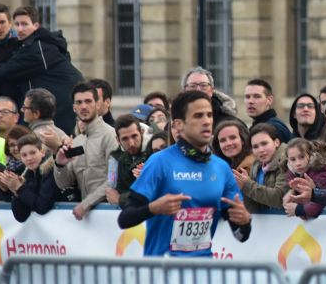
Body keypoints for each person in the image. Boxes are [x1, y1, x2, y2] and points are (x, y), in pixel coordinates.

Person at [118, 90, 252, 257]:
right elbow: (124, 219)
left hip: (202, 271)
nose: (206, 121)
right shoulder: (159, 162)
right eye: (198, 116)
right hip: (164, 270)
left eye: (209, 115)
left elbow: (240, 235)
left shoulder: (221, 168)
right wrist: (153, 208)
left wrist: (245, 222)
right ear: (179, 125)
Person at [0, 5, 84, 134]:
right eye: (18, 24)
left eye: (25, 24)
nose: (20, 29)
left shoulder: (35, 48)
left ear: (36, 26)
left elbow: (7, 71)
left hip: (56, 105)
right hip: (24, 108)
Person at [53, 82, 118, 220]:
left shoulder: (110, 135)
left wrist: (85, 205)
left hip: (108, 214)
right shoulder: (77, 142)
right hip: (85, 218)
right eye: (79, 102)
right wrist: (59, 165)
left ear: (97, 104)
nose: (83, 106)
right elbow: (64, 183)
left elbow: (113, 180)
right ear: (74, 108)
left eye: (88, 101)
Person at [234, 123, 289, 213]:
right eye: (255, 146)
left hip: (289, 223)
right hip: (265, 224)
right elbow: (253, 204)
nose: (261, 150)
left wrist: (247, 185)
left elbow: (279, 198)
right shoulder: (256, 164)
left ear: (276, 142)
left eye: (264, 143)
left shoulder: (288, 160)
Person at [5, 132, 58, 222]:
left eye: (33, 153)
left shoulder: (50, 170)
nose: (29, 158)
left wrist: (19, 188)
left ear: (42, 152)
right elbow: (21, 216)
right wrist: (16, 191)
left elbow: (42, 206)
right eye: (24, 155)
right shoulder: (27, 174)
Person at [282, 138, 326, 220]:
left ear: (311, 155)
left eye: (301, 157)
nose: (298, 163)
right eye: (293, 159)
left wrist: (299, 210)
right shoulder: (291, 176)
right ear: (288, 161)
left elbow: (324, 200)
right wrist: (292, 192)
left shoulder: (322, 172)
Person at [106, 115, 149, 208]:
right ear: (118, 140)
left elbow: (152, 192)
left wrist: (120, 199)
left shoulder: (154, 152)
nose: (131, 143)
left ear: (141, 133)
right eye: (125, 139)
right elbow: (117, 191)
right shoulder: (118, 158)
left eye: (134, 136)